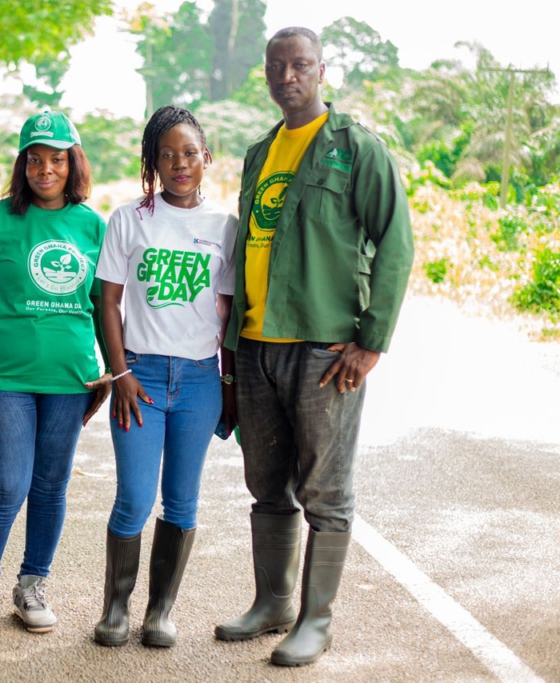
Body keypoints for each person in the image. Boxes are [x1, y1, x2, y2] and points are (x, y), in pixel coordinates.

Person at [214, 27, 413, 666]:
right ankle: (271, 602)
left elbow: (396, 244)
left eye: (300, 64)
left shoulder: (355, 148)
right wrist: (229, 348)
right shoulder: (257, 152)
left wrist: (370, 341)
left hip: (325, 348)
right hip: (255, 344)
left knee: (324, 490)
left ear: (322, 70)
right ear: (266, 74)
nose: (287, 75)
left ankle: (315, 620)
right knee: (266, 481)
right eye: (277, 66)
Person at [0, 110, 110, 639]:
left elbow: (103, 303)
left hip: (70, 378)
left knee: (50, 485)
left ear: (73, 163)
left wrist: (110, 372)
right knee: (7, 484)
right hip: (3, 376)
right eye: (36, 159)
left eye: (58, 159)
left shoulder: (93, 225)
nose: (47, 169)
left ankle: (32, 585)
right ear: (22, 165)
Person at [91, 106, 238, 649]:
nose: (180, 163)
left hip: (199, 380)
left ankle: (159, 612)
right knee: (133, 496)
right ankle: (114, 610)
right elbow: (107, 301)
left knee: (181, 501)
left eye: (190, 153)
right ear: (152, 161)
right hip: (141, 377)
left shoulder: (224, 226)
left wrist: (228, 385)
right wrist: (121, 371)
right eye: (167, 154)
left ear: (207, 158)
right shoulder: (130, 219)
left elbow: (226, 314)